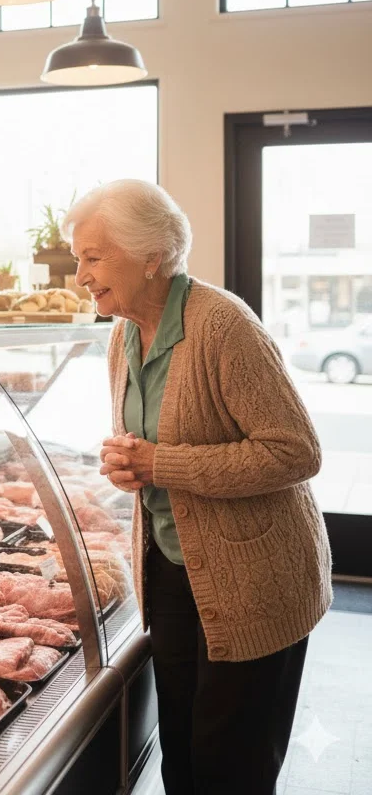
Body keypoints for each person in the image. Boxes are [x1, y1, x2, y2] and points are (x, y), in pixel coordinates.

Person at [65, 179, 331, 795]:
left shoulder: (222, 325)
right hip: (171, 575)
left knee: (229, 767)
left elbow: (295, 451)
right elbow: (153, 447)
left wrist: (162, 465)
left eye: (94, 257)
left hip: (254, 583)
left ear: (151, 255)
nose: (80, 275)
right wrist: (130, 466)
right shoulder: (123, 331)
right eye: (79, 258)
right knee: (183, 757)